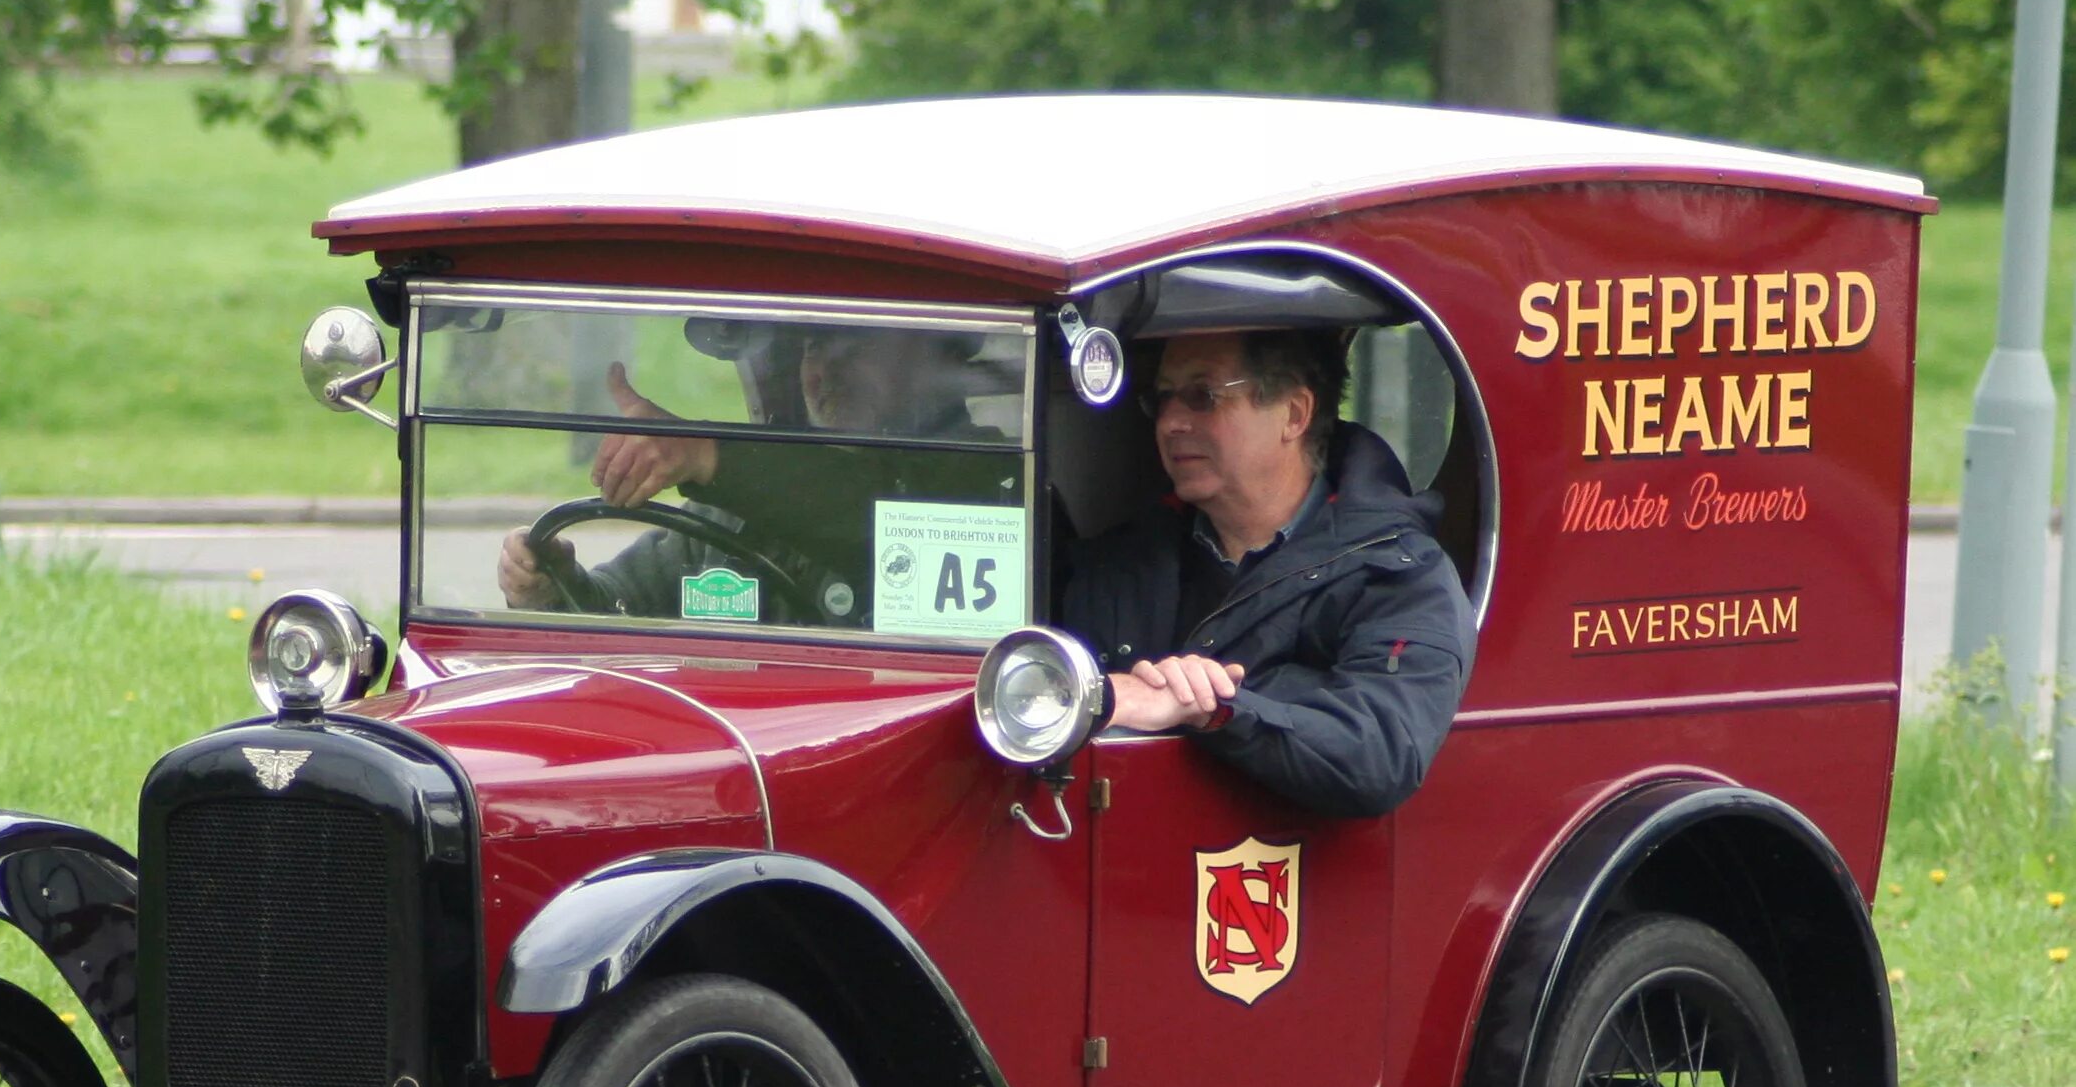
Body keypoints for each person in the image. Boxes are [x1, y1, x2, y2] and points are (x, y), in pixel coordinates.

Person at [1057, 328, 1473, 817]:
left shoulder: (1399, 571)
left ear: (1294, 414)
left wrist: (1214, 707)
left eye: (1202, 396)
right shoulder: (1116, 562)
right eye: (1162, 398)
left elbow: (1379, 753)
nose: (1170, 422)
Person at [496, 327, 1016, 620]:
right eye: (814, 349)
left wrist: (705, 453)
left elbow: (879, 519)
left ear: (931, 363)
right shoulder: (733, 504)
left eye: (856, 348)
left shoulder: (986, 479)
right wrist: (551, 587)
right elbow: (625, 606)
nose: (826, 371)